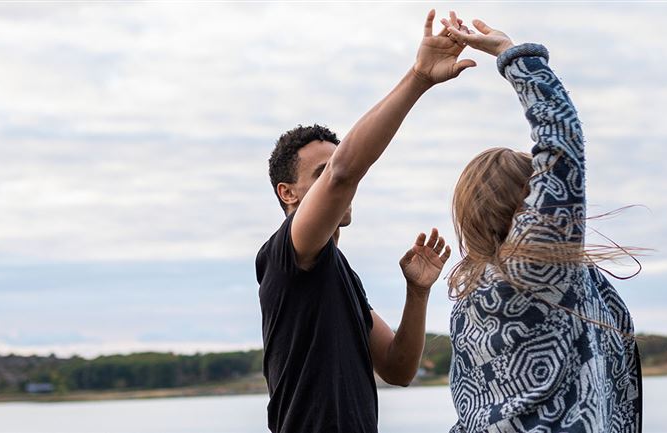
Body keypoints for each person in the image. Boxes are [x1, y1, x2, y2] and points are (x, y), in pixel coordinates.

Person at [255, 9, 471, 433]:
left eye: (335, 166)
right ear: (288, 193)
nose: (338, 182)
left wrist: (417, 292)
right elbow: (343, 174)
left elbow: (398, 369)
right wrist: (420, 79)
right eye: (319, 174)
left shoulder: (340, 275)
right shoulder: (288, 255)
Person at [442, 15, 643, 433]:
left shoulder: (467, 299)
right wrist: (512, 55)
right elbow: (561, 143)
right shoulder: (537, 268)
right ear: (526, 200)